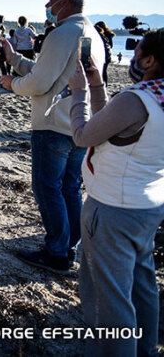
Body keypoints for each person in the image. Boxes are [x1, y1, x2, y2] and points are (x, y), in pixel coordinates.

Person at [0, 0, 106, 273]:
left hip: (52, 122)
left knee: (47, 187)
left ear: (64, 2)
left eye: (50, 1)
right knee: (70, 188)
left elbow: (39, 82)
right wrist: (14, 59)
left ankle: (56, 250)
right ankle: (69, 247)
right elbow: (52, 73)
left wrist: (12, 83)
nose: (47, 7)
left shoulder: (62, 33)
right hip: (80, 123)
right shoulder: (93, 33)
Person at [69, 29, 164, 356]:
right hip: (148, 205)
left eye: (137, 51)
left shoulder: (138, 99)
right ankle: (146, 349)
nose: (133, 56)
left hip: (111, 209)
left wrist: (79, 93)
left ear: (150, 60)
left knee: (109, 300)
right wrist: (97, 86)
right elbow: (113, 127)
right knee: (142, 287)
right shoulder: (156, 98)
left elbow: (84, 135)